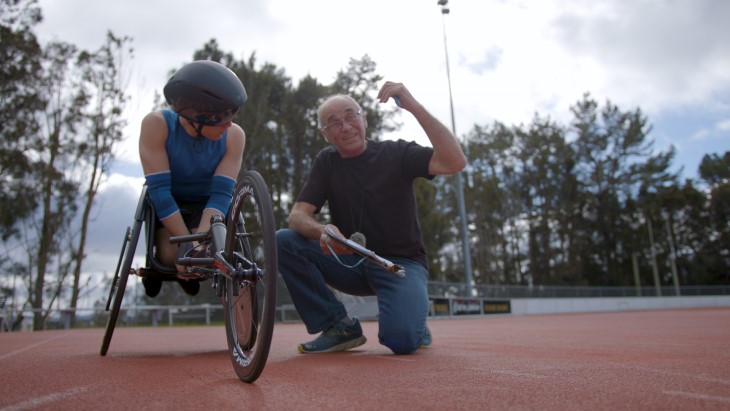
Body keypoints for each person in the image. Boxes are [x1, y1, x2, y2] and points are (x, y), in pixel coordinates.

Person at [276, 81, 467, 354]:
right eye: (334, 123)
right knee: (284, 241)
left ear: (364, 119)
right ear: (326, 135)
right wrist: (321, 231)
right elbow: (297, 215)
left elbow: (454, 162)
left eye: (351, 116)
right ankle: (339, 326)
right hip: (351, 260)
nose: (346, 126)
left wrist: (412, 105)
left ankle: (414, 322)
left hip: (400, 264)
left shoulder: (397, 153)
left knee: (402, 341)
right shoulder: (326, 162)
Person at [138, 60, 247, 298]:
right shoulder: (156, 125)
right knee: (170, 257)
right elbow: (160, 193)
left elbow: (221, 194)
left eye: (233, 115)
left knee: (205, 255)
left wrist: (199, 245)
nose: (230, 124)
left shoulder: (234, 136)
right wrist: (187, 246)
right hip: (169, 205)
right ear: (196, 116)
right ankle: (163, 264)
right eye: (222, 117)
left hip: (207, 207)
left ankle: (186, 265)